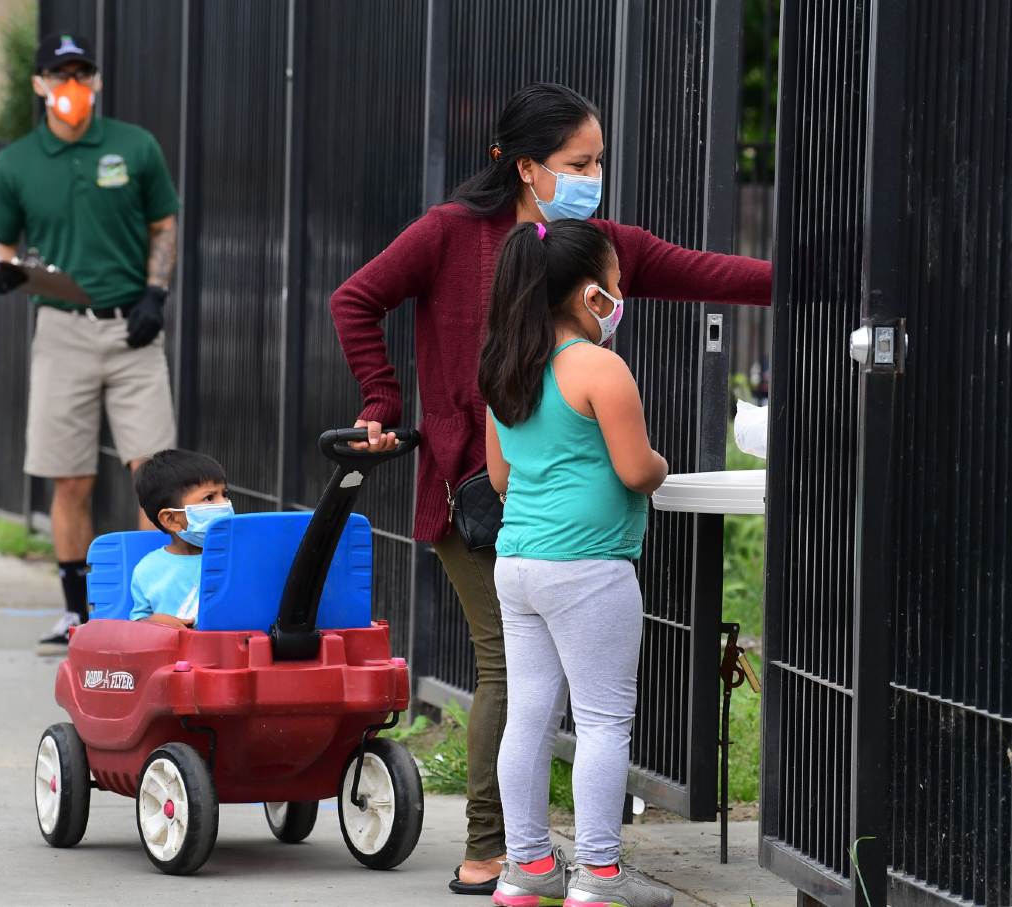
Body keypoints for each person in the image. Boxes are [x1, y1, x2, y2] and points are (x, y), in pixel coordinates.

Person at [330, 82, 772, 894]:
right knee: (524, 682)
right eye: (579, 162)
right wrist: (382, 402)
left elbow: (716, 272)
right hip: (481, 503)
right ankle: (498, 850)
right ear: (527, 166)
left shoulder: (590, 246)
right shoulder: (453, 235)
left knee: (528, 689)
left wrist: (814, 281)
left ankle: (521, 862)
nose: (594, 174)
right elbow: (355, 299)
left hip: (525, 513)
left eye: (599, 160)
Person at [483, 220, 672, 907]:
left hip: (518, 563)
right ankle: (598, 876)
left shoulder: (505, 364)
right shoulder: (599, 367)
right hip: (589, 568)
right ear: (590, 293)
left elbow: (501, 479)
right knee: (601, 720)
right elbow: (636, 469)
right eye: (616, 282)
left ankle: (526, 868)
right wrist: (661, 464)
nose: (621, 295)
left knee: (528, 713)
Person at [0, 32, 182, 653]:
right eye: (59, 75)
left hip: (133, 328)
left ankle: (154, 605)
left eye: (81, 73)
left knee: (153, 472)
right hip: (62, 328)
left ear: (95, 81)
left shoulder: (134, 146)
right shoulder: (17, 163)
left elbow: (163, 224)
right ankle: (75, 610)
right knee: (69, 478)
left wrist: (155, 293)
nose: (72, 86)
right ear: (39, 84)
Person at [129, 449, 234, 629]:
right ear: (171, 519)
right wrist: (156, 622)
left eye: (224, 494)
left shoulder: (238, 556)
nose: (224, 505)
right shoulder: (147, 570)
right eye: (209, 498)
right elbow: (137, 624)